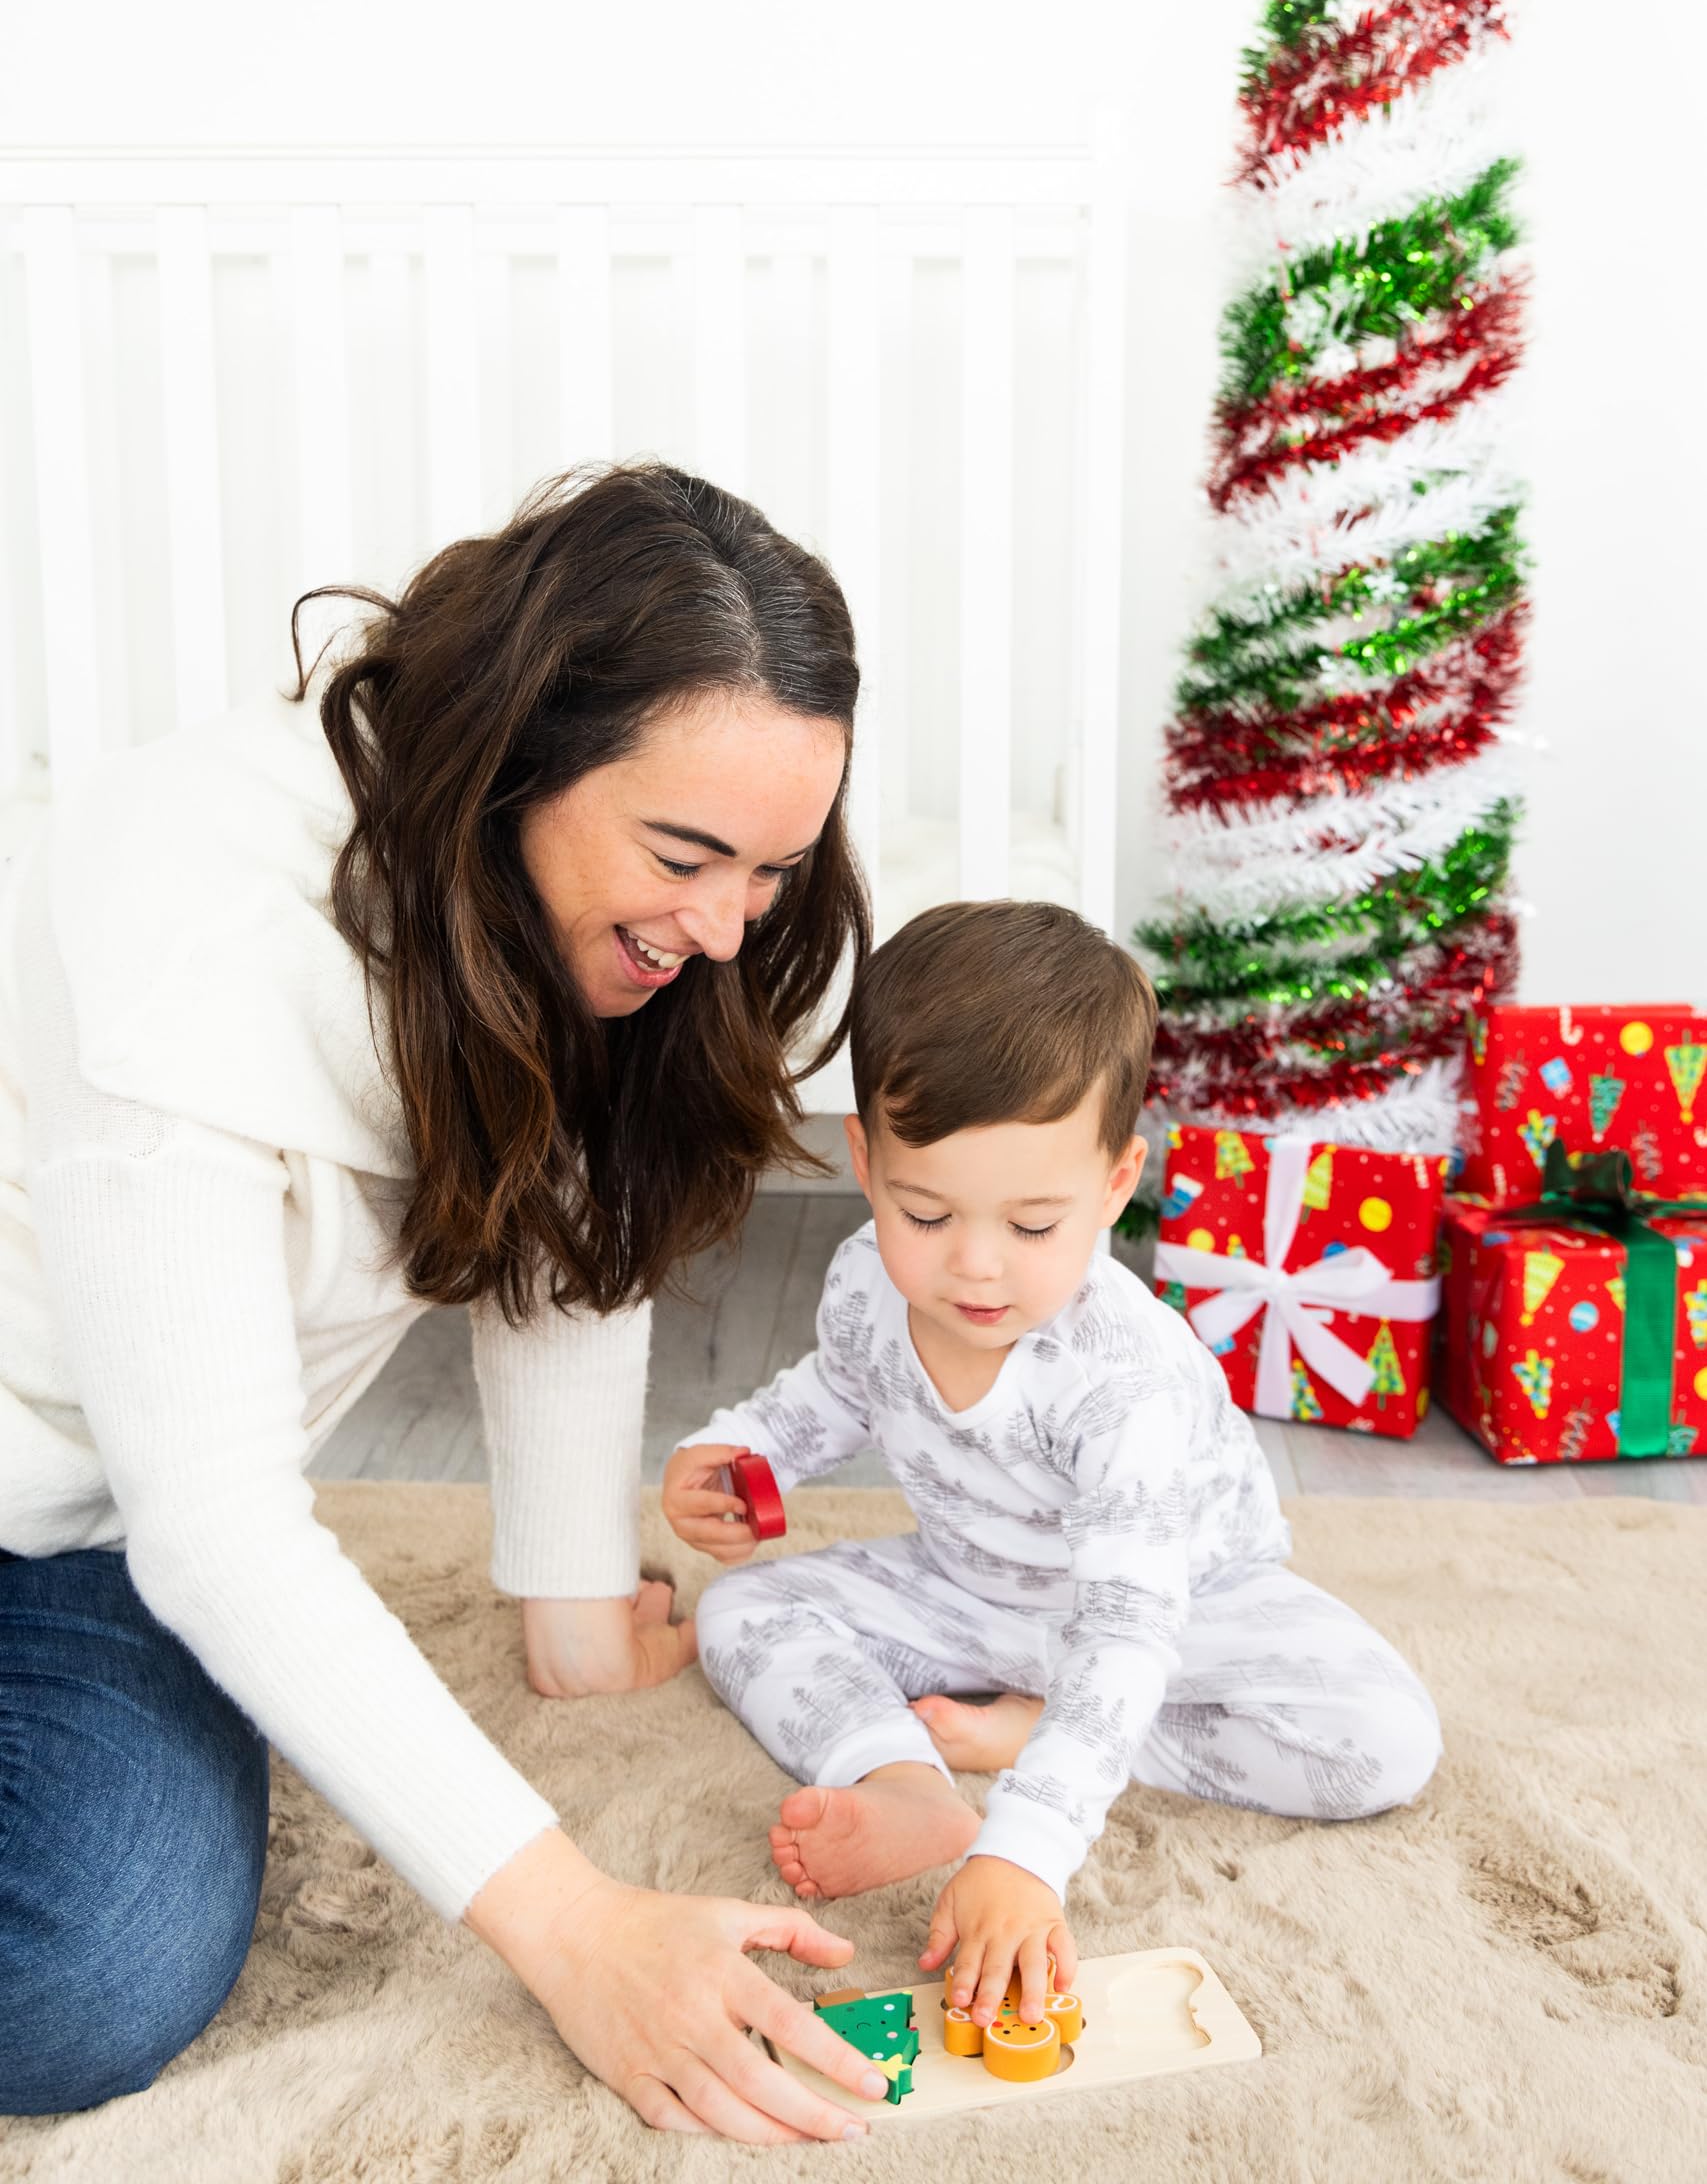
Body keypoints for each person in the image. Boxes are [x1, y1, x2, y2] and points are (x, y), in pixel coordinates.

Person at [0, 464, 898, 2143]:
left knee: (100, 1959)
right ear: (516, 757)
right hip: (126, 1502)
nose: (721, 930)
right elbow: (224, 1531)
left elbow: (569, 1197)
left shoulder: (545, 910)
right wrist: (576, 1930)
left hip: (79, 1538)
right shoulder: (189, 924)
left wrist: (564, 1592)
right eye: (688, 855)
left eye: (770, 872)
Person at [665, 900, 1444, 2033]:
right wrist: (738, 1452)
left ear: (1116, 1181)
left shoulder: (1118, 1375)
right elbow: (832, 1393)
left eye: (1035, 1226)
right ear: (866, 1161)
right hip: (970, 1593)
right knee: (740, 1611)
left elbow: (1129, 1629)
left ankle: (1036, 1729)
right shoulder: (865, 1283)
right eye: (925, 1210)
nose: (976, 1267)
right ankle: (905, 1781)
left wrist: (1029, 1846)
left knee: (1383, 1739)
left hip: (1173, 1608)